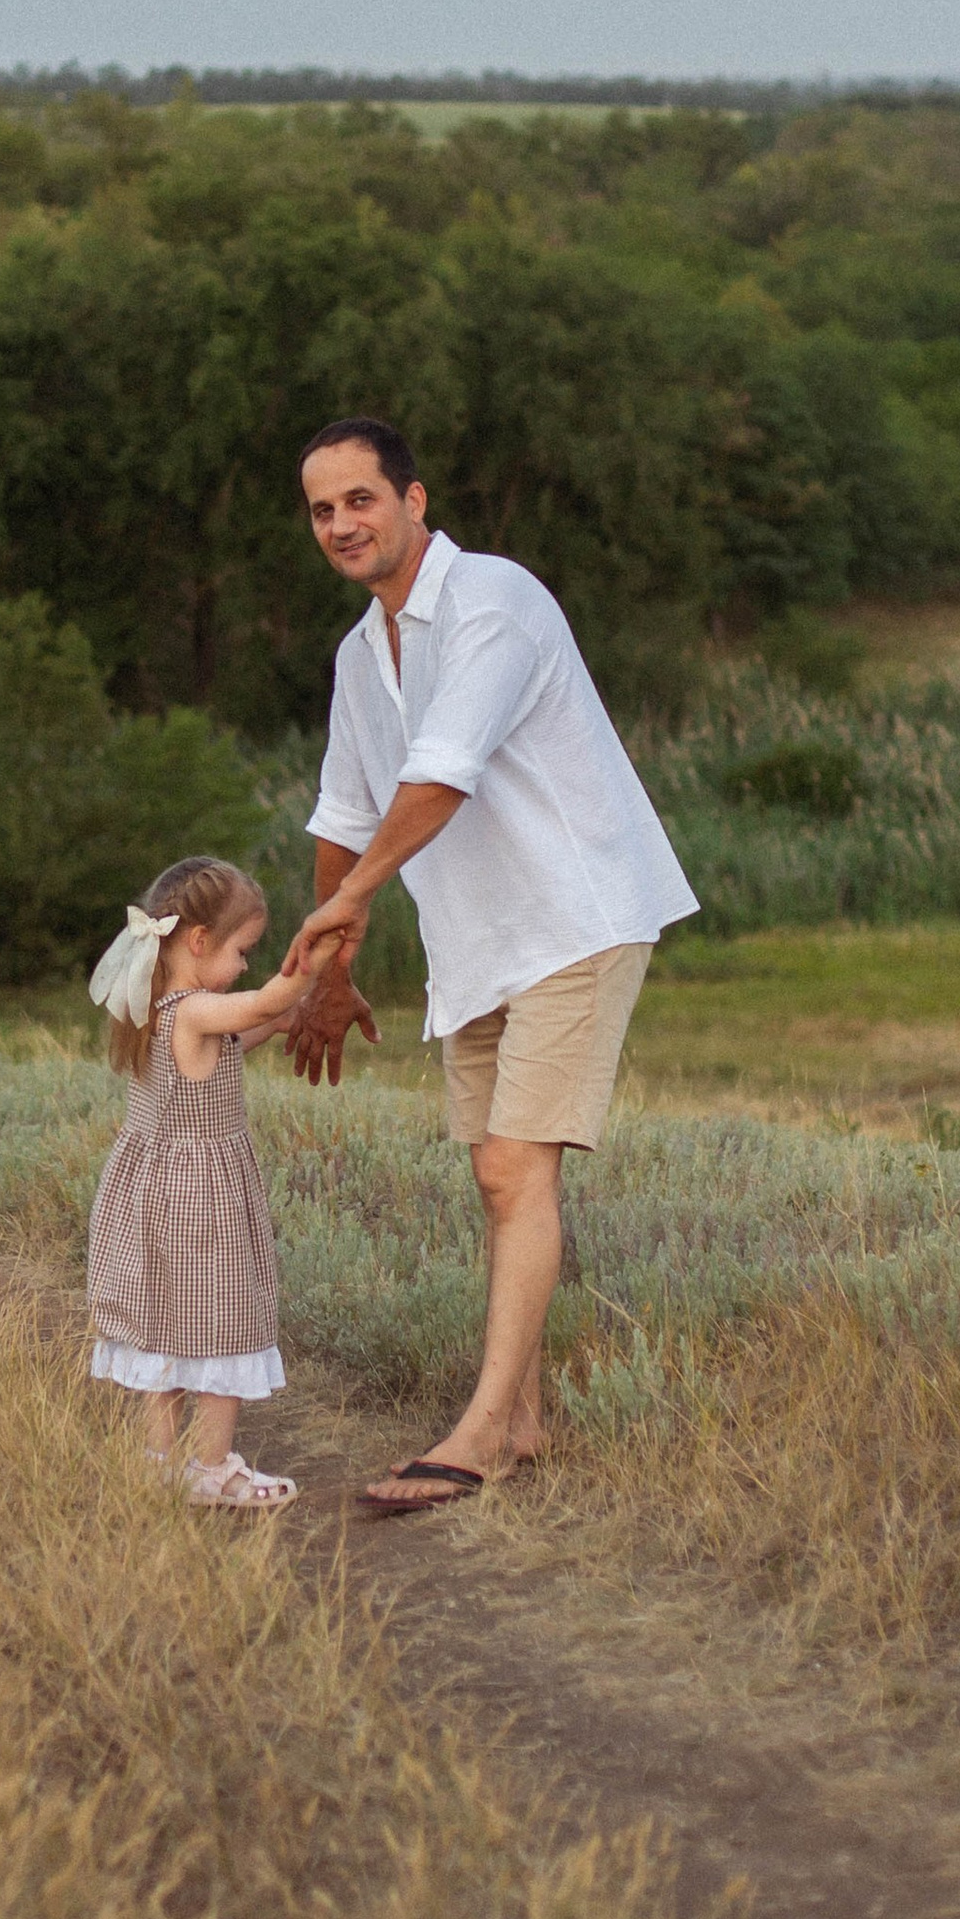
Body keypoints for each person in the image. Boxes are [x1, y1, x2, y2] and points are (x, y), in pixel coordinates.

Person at [281, 418, 698, 1514]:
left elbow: (441, 775)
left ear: (413, 500)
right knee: (496, 1178)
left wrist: (351, 906)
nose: (341, 525)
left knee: (516, 1169)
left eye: (360, 500)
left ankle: (479, 1438)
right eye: (322, 510)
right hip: (478, 941)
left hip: (574, 914)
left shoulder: (493, 601)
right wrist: (330, 967)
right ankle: (522, 1418)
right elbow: (343, 812)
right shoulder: (359, 657)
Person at [84, 854, 311, 1514]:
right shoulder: (196, 1008)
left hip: (153, 1194)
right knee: (221, 1321)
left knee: (164, 1321)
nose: (245, 965)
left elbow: (228, 1043)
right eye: (242, 951)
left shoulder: (158, 1007)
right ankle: (211, 1468)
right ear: (200, 941)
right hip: (199, 1201)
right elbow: (261, 1000)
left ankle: (160, 1465)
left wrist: (276, 1024)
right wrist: (316, 960)